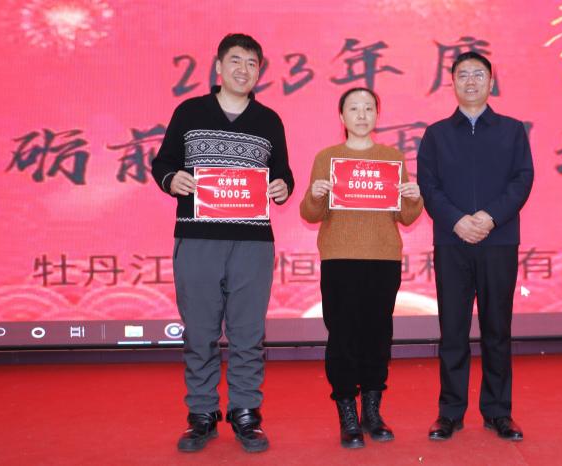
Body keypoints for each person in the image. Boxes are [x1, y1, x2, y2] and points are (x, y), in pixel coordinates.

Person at [151, 33, 294, 453]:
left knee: (248, 334)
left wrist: (283, 187)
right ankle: (201, 414)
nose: (243, 70)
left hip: (252, 243)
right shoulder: (190, 111)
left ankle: (246, 413)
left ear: (259, 71)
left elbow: (282, 173)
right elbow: (163, 163)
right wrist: (171, 180)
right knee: (200, 332)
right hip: (198, 238)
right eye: (235, 60)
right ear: (218, 67)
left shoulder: (269, 120)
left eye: (252, 63)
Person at [417, 52, 534, 442]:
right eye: (463, 74)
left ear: (491, 82)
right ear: (451, 82)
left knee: (497, 329)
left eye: (478, 74)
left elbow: (522, 180)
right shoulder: (436, 134)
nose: (470, 81)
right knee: (452, 330)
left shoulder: (512, 130)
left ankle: (498, 411)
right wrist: (457, 220)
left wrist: (490, 217)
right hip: (452, 241)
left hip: (498, 240)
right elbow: (428, 185)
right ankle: (449, 413)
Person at [300, 87, 423, 449]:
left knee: (377, 335)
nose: (362, 114)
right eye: (354, 108)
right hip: (339, 258)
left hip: (383, 259)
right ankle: (347, 415)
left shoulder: (392, 158)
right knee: (342, 336)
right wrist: (315, 195)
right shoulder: (327, 158)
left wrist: (414, 199)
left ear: (377, 116)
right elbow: (311, 213)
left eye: (369, 108)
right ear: (341, 117)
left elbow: (405, 216)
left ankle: (372, 411)